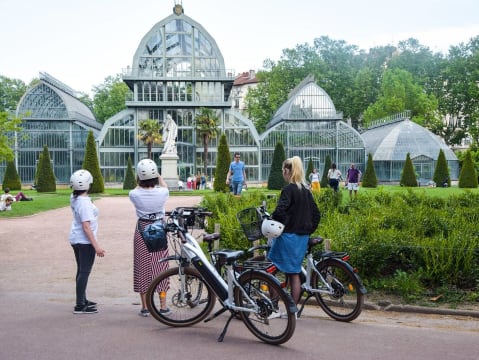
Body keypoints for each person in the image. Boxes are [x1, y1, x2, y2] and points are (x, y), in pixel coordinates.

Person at [268, 156, 321, 305]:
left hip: (287, 237)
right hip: (301, 238)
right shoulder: (306, 190)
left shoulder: (288, 189)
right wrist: (308, 230)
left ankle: (273, 303)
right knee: (294, 272)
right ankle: (293, 310)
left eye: (283, 170)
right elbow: (316, 214)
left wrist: (280, 223)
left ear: (286, 171)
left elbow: (280, 211)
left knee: (269, 268)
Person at [129, 159, 170, 317]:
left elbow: (136, 188)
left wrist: (140, 180)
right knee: (161, 268)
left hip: (142, 229)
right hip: (159, 228)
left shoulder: (134, 194)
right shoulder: (162, 192)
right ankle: (163, 306)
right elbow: (165, 186)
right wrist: (158, 175)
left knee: (142, 268)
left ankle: (145, 307)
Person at [68, 169, 105, 314]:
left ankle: (82, 299)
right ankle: (79, 305)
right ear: (89, 184)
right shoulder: (83, 202)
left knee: (81, 271)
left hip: (76, 239)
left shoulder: (75, 197)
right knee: (84, 272)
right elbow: (86, 227)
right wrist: (97, 247)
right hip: (84, 242)